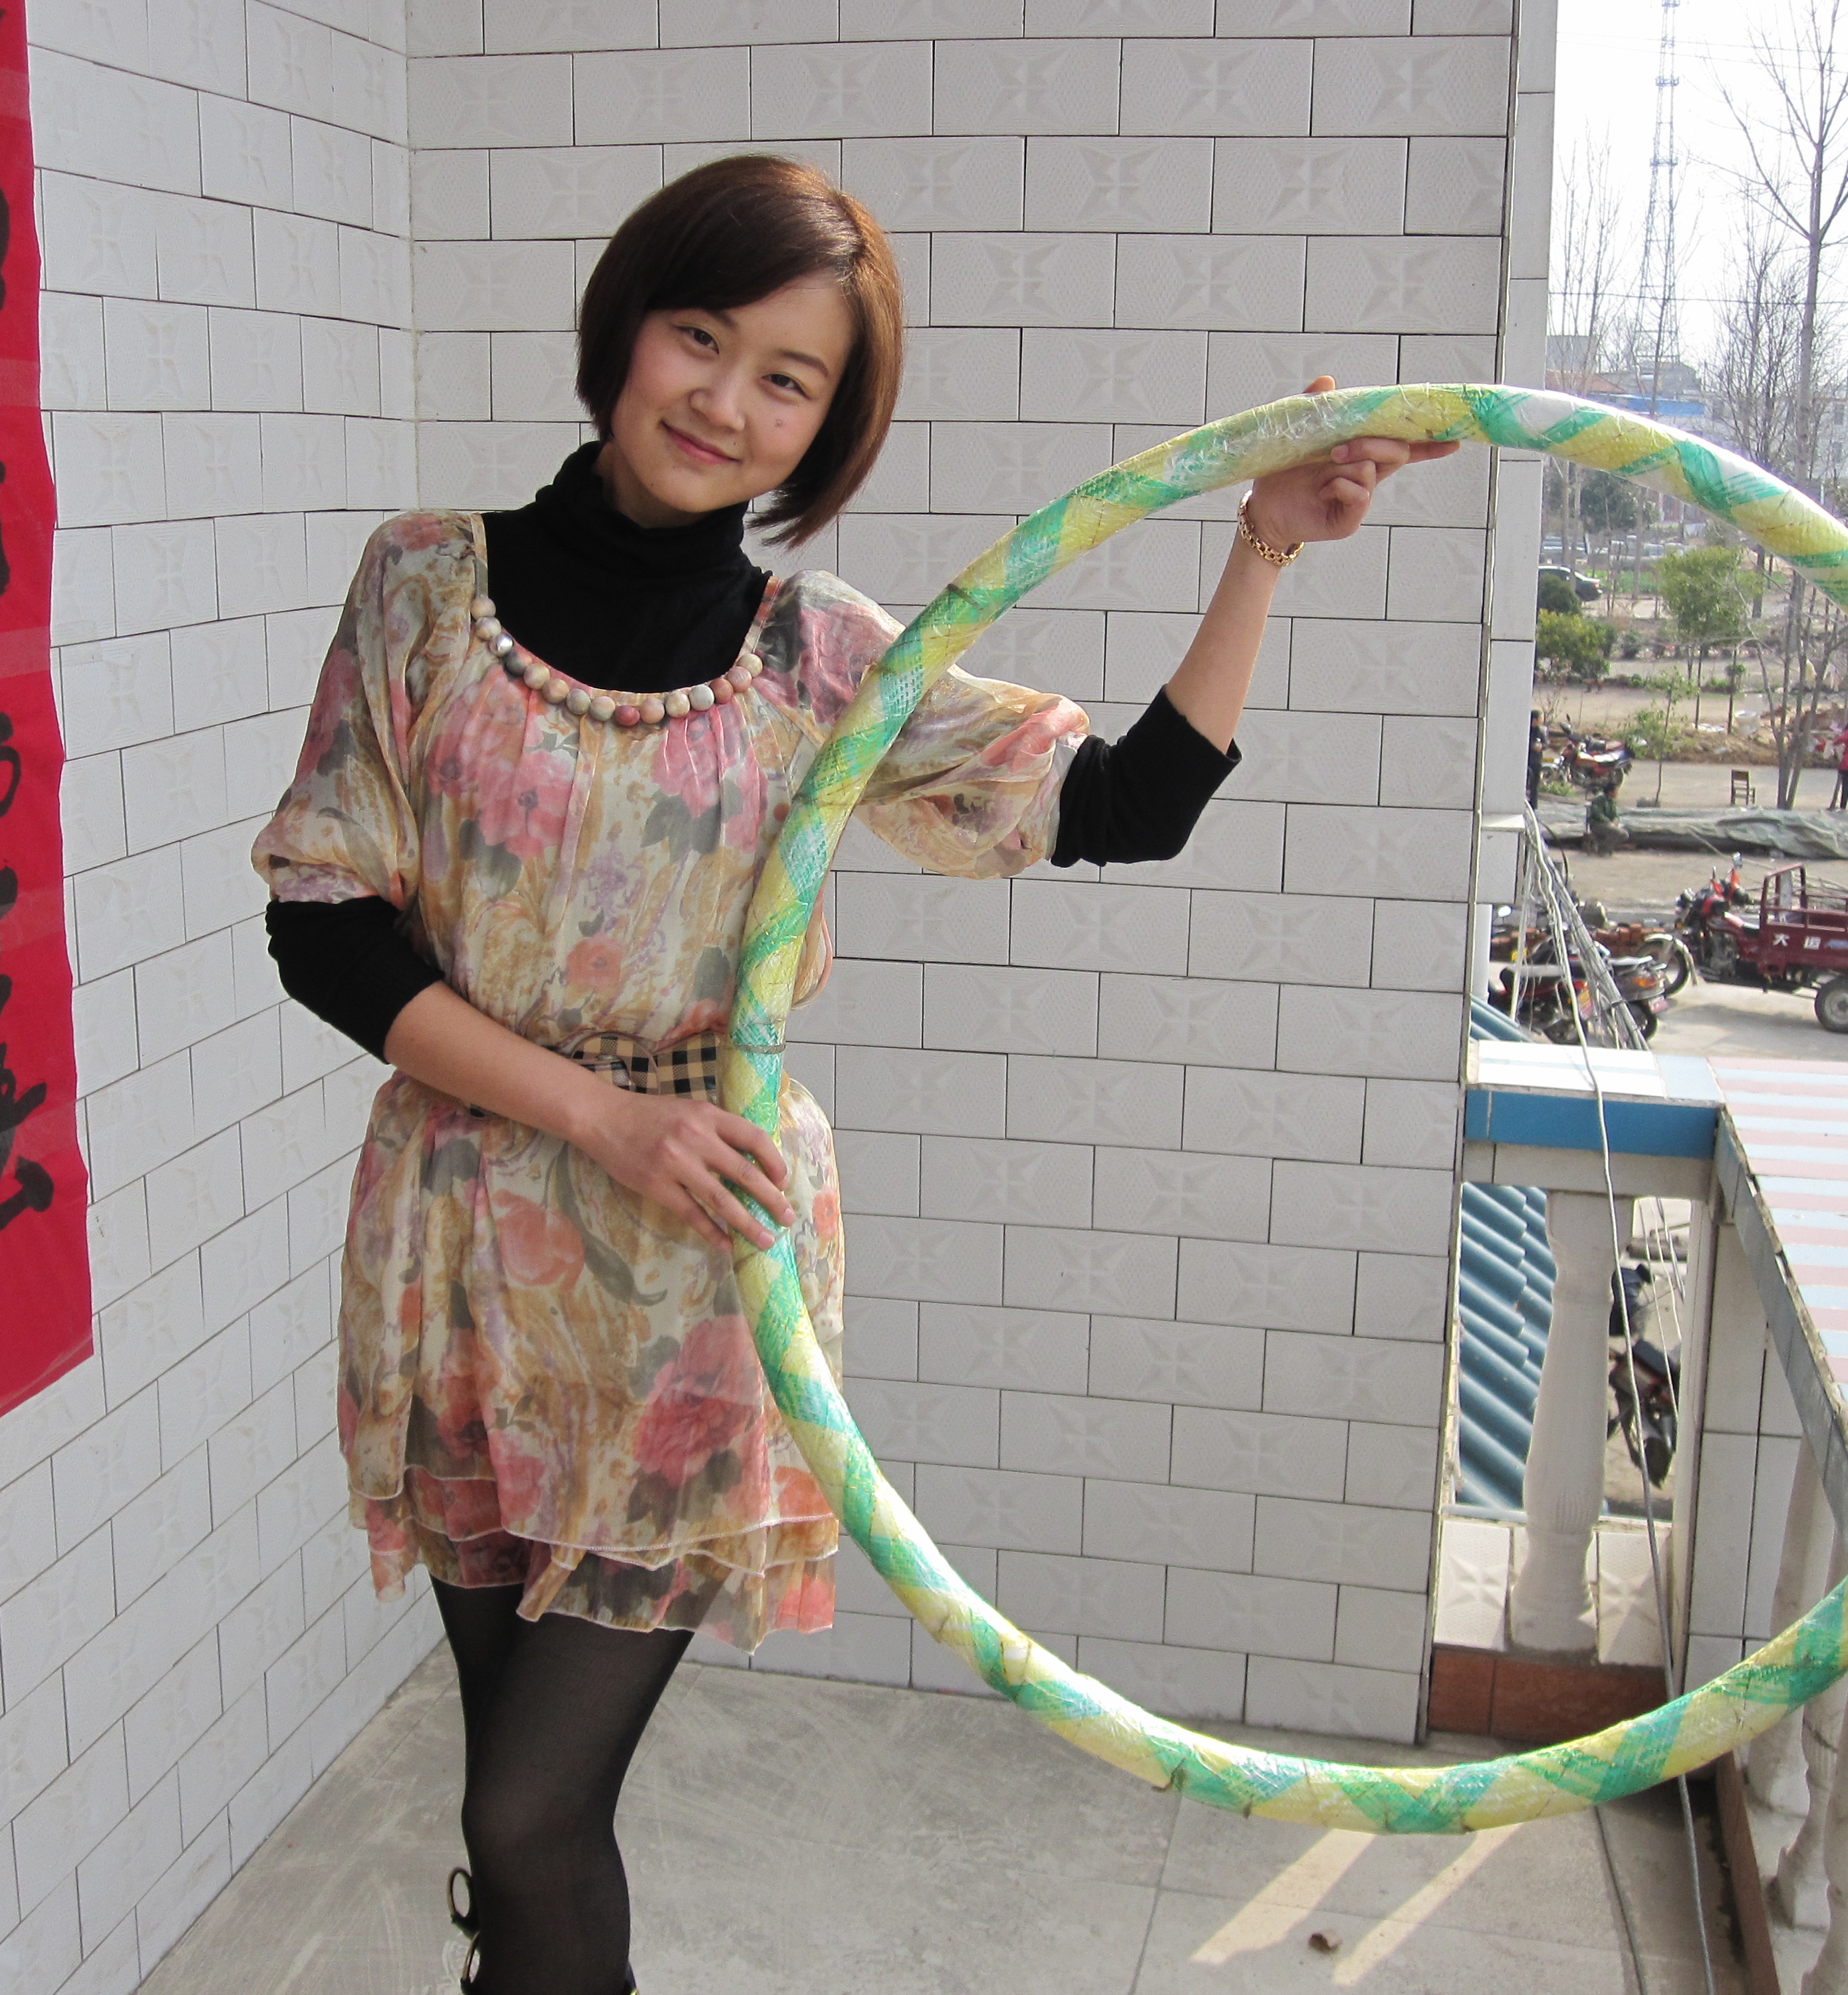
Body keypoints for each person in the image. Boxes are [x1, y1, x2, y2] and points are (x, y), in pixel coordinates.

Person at [249, 155, 1452, 1995]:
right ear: (625, 329)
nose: (725, 401)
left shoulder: (819, 662)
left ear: (825, 427)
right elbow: (327, 924)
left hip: (687, 1280)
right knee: (516, 1804)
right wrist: (599, 1114)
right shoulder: (423, 582)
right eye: (700, 337)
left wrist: (1263, 544)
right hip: (465, 1256)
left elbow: (1124, 806)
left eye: (786, 379)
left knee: (526, 1812)